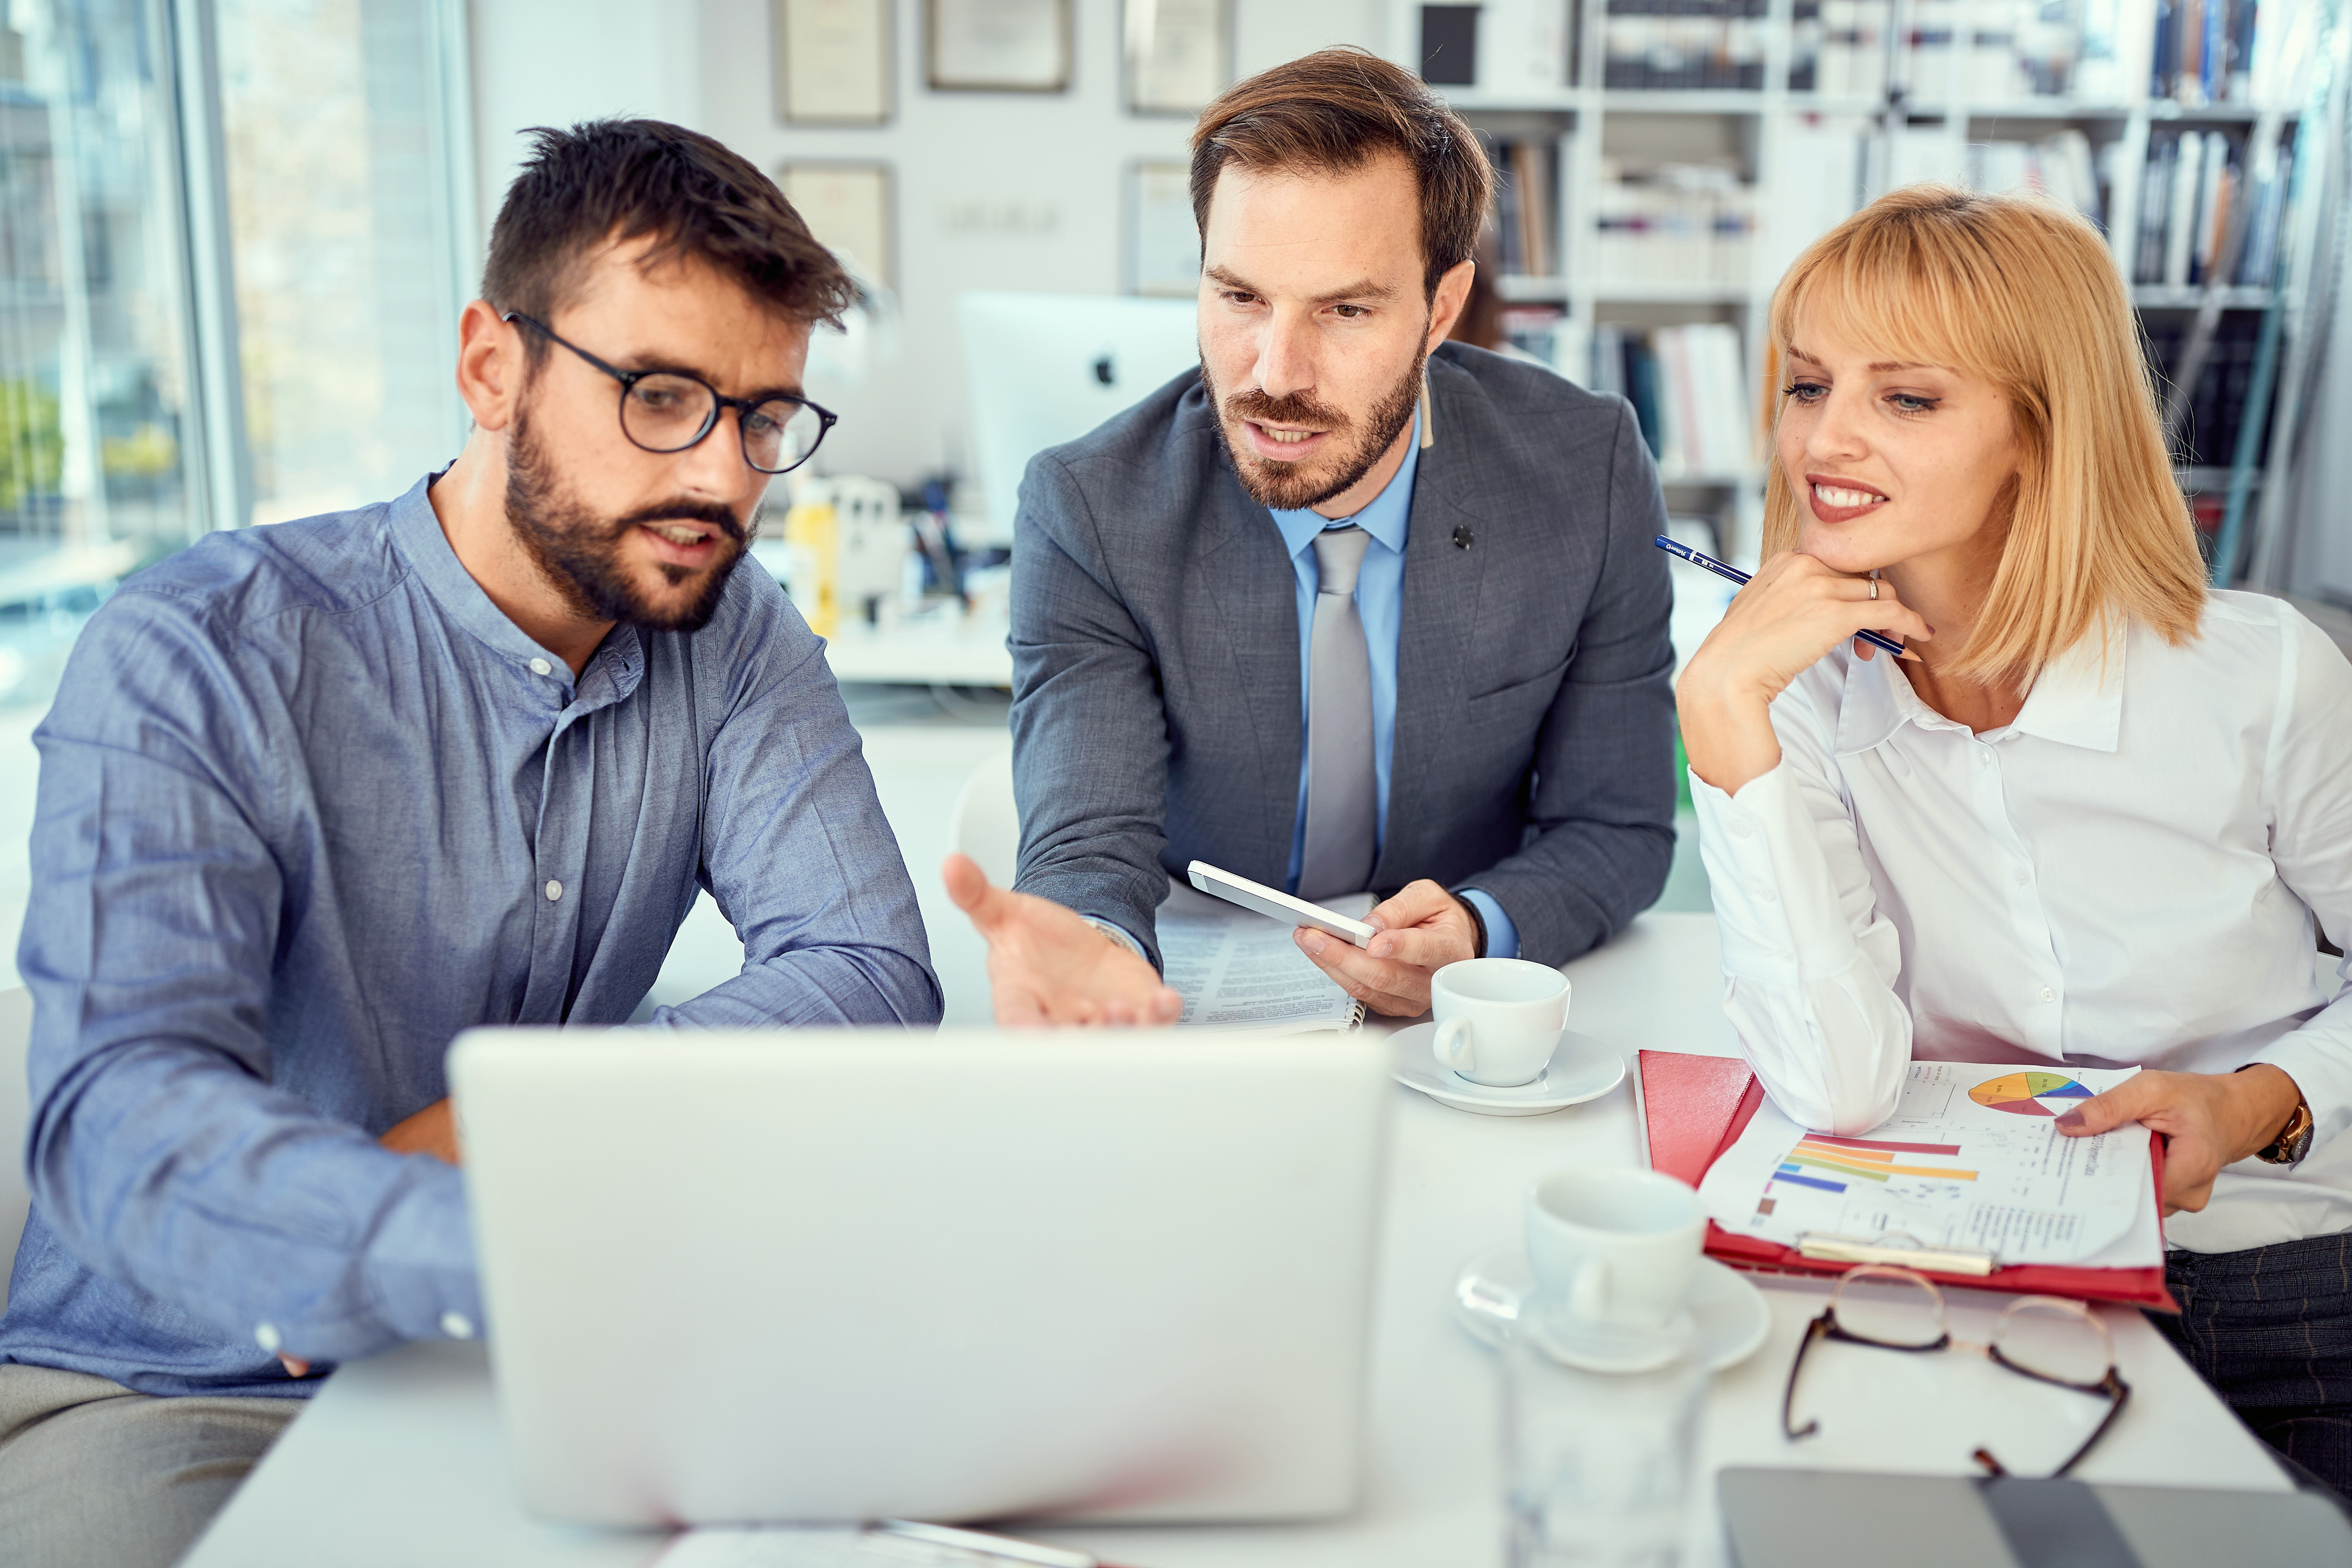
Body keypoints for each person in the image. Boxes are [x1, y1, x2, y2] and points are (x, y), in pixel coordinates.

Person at [0, 119, 940, 1565]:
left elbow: (869, 966)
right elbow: (117, 1119)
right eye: (663, 394)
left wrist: (515, 1120)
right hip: (175, 1388)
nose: (723, 477)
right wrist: (453, 1231)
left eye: (761, 419)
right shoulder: (195, 647)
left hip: (552, 1370)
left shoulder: (731, 630)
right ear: (490, 365)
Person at [1676, 185, 2352, 1489]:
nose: (1829, 437)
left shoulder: (2259, 677)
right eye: (1810, 386)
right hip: (1957, 1277)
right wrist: (1720, 713)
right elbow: (1838, 1084)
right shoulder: (1795, 698)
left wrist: (2255, 1103)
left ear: (2043, 436)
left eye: (1908, 399)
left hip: (2271, 1279)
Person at [949, 49, 1677, 1023]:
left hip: (1464, 1028)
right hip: (1201, 1005)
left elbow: (1616, 826)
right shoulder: (1091, 509)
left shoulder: (1588, 469)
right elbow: (1089, 844)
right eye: (1240, 297)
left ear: (1441, 310)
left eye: (1345, 309)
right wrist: (1097, 948)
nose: (1274, 374)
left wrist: (1477, 927)